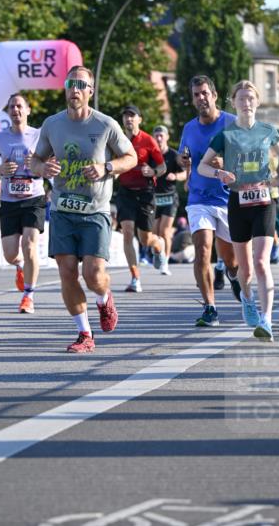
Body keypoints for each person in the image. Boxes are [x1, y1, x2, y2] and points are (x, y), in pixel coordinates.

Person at [30, 64, 136, 353]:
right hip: (63, 208)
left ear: (90, 91)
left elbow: (131, 157)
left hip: (96, 210)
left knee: (93, 274)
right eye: (70, 83)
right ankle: (84, 334)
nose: (74, 89)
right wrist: (44, 167)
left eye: (80, 84)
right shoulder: (52, 124)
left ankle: (104, 299)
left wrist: (107, 167)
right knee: (66, 272)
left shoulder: (105, 125)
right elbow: (35, 161)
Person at [198, 80, 279, 341]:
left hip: (264, 200)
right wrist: (219, 173)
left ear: (257, 102)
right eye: (241, 98)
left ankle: (267, 320)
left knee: (262, 263)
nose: (246, 102)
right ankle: (247, 300)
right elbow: (201, 167)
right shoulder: (225, 135)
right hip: (238, 202)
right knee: (246, 270)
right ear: (234, 103)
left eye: (250, 98)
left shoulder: (267, 130)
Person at [177, 75, 241, 329]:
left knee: (230, 258)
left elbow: (249, 158)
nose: (201, 98)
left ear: (214, 95)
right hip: (198, 198)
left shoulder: (233, 123)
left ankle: (233, 274)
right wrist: (185, 168)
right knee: (203, 249)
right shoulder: (189, 128)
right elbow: (186, 157)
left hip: (227, 198)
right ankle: (210, 307)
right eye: (196, 95)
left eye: (205, 93)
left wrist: (226, 164)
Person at [0, 93, 46, 314]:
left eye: (20, 106)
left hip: (34, 198)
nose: (16, 110)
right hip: (9, 200)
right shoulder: (0, 138)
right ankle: (20, 266)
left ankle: (28, 295)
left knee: (30, 245)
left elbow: (52, 164)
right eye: (12, 107)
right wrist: (0, 170)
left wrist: (38, 163)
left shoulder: (40, 136)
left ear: (28, 110)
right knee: (11, 254)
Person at [115, 105, 168, 292]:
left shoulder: (148, 140)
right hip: (125, 192)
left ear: (140, 119)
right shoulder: (117, 140)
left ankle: (159, 244)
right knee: (128, 231)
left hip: (145, 191)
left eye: (132, 116)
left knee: (145, 239)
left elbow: (162, 168)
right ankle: (135, 277)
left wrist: (152, 171)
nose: (128, 119)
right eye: (126, 116)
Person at [152, 125, 186, 276]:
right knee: (155, 233)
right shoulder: (151, 155)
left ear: (167, 137)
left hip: (170, 197)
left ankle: (165, 262)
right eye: (156, 135)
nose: (159, 138)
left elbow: (185, 173)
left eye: (161, 135)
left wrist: (175, 176)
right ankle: (157, 253)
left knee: (165, 231)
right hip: (154, 198)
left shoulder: (173, 155)